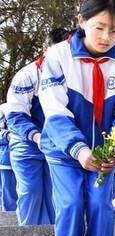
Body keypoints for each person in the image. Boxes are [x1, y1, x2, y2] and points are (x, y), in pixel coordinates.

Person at [38, 0, 115, 236]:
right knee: (71, 205)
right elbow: (55, 110)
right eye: (100, 28)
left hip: (104, 154)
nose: (107, 37)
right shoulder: (58, 56)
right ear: (81, 21)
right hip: (65, 151)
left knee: (101, 207)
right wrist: (79, 149)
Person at [5, 28, 68, 225]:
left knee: (54, 196)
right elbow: (15, 116)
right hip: (26, 144)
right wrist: (36, 136)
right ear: (44, 49)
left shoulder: (71, 77)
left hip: (56, 145)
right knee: (30, 192)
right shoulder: (27, 75)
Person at [0, 106, 17, 211]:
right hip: (6, 161)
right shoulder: (3, 109)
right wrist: (8, 135)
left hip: (28, 160)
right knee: (9, 198)